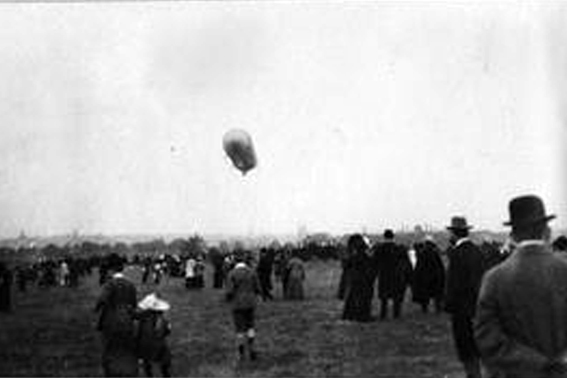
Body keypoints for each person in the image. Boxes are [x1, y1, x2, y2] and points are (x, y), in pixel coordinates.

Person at [475, 195, 567, 377]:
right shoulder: (563, 271)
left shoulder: (494, 279)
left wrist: (538, 364)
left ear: (513, 236)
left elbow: (487, 340)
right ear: (547, 231)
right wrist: (559, 363)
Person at [444, 216, 485, 378]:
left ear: (454, 234)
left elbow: (453, 284)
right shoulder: (476, 251)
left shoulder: (457, 254)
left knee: (465, 349)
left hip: (461, 309)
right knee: (476, 347)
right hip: (476, 306)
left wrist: (448, 304)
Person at [95, 253, 138, 377]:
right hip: (128, 320)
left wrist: (97, 307)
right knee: (126, 350)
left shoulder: (110, 284)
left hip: (111, 320)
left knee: (109, 349)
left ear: (111, 270)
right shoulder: (130, 284)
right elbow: (134, 304)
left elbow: (102, 300)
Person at [225, 250, 262, 362]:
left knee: (240, 329)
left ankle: (241, 353)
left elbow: (230, 291)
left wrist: (228, 299)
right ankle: (252, 349)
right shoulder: (252, 272)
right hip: (250, 303)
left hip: (238, 304)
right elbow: (258, 288)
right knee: (250, 326)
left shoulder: (232, 273)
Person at [375, 229, 412, 320]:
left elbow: (374, 262)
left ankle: (383, 315)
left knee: (384, 298)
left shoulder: (379, 249)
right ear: (393, 237)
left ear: (384, 237)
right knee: (396, 297)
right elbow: (405, 262)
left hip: (384, 275)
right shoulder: (399, 248)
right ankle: (396, 314)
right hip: (396, 276)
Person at [342, 234, 378, 322]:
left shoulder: (351, 255)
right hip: (363, 279)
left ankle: (350, 315)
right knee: (364, 299)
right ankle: (363, 316)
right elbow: (370, 266)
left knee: (352, 298)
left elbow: (346, 266)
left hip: (354, 279)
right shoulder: (363, 254)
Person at [136, 293, 172, 377]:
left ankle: (150, 374)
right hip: (158, 344)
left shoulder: (143, 317)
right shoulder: (162, 319)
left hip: (145, 344)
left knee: (147, 362)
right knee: (164, 363)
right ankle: (165, 373)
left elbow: (139, 332)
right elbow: (167, 332)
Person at [411, 236, 446, 314]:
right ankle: (438, 309)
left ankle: (425, 309)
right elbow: (440, 266)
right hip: (435, 277)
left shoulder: (422, 253)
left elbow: (418, 267)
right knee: (437, 295)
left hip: (424, 277)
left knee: (425, 295)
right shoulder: (435, 253)